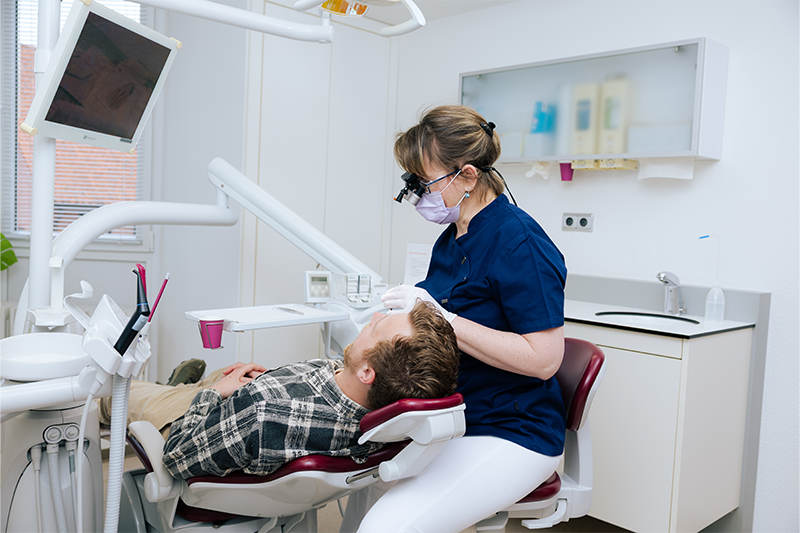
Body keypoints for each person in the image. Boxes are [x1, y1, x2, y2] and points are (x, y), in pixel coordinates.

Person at [340, 105, 568, 533]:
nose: (417, 194)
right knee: (359, 498)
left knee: (386, 528)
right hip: (451, 416)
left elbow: (544, 360)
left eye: (424, 183)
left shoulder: (521, 243)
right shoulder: (452, 238)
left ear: (466, 176)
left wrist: (442, 318)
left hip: (511, 428)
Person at [102, 300, 459, 480]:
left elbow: (176, 456)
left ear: (368, 371)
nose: (374, 318)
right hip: (245, 404)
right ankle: (184, 384)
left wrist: (212, 396)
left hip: (194, 424)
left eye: (379, 327)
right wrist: (253, 381)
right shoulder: (381, 417)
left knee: (119, 393)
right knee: (221, 373)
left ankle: (172, 390)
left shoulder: (263, 409)